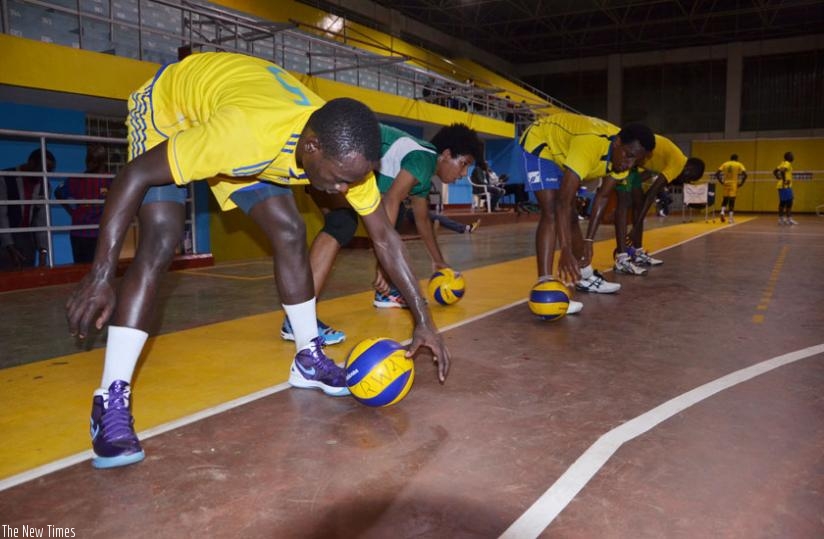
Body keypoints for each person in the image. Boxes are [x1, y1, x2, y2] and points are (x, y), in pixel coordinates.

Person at [65, 52, 450, 470]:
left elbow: (385, 238)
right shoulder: (244, 137)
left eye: (353, 181)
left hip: (240, 113)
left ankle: (308, 359)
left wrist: (424, 320)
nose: (344, 189)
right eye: (340, 178)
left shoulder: (346, 160)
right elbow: (133, 176)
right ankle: (109, 401)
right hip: (170, 107)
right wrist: (101, 273)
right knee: (161, 238)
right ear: (312, 146)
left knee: (289, 229)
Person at [281, 122, 483, 343]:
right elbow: (391, 198)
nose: (463, 173)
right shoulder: (424, 158)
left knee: (359, 219)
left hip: (328, 153)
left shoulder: (422, 172)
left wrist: (439, 261)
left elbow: (422, 218)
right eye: (463, 164)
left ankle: (385, 293)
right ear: (445, 155)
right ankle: (298, 321)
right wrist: (384, 264)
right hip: (327, 154)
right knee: (342, 222)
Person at [519, 113, 655, 308]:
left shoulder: (624, 159)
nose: (629, 164)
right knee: (551, 211)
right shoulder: (590, 145)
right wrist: (565, 250)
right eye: (628, 156)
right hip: (541, 143)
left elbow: (603, 196)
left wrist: (589, 241)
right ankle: (545, 286)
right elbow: (562, 203)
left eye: (636, 161)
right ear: (617, 143)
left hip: (566, 151)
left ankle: (584, 276)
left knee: (572, 217)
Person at [605, 135, 705, 272]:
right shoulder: (678, 164)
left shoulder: (672, 160)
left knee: (638, 204)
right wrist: (633, 230)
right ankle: (621, 258)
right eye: (688, 178)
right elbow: (652, 193)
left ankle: (637, 252)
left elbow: (648, 173)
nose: (684, 180)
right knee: (623, 204)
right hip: (627, 157)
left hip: (635, 165)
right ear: (689, 170)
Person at [55, 144, 111, 263]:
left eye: (94, 161)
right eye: (88, 160)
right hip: (79, 233)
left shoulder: (111, 179)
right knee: (80, 269)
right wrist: (71, 211)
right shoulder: (77, 179)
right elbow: (58, 193)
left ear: (101, 162)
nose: (90, 164)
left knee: (99, 268)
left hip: (101, 233)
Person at [0, 149, 55, 270]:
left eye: (49, 171)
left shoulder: (44, 186)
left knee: (26, 277)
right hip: (4, 237)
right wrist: (9, 246)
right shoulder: (5, 178)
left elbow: (42, 219)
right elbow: (1, 215)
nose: (45, 173)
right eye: (42, 168)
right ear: (31, 163)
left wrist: (43, 250)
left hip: (26, 238)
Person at [714, 154, 746, 224]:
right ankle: (730, 219)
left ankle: (722, 212)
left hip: (726, 183)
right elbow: (745, 174)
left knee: (725, 198)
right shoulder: (738, 164)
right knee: (732, 200)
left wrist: (721, 182)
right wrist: (741, 183)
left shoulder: (725, 164)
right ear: (736, 159)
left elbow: (717, 174)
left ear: (730, 158)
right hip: (733, 183)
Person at [774, 151, 797, 225]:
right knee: (789, 202)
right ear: (788, 157)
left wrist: (777, 177)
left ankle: (781, 219)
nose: (793, 157)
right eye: (791, 155)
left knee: (783, 202)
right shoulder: (787, 163)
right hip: (785, 186)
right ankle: (788, 219)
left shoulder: (782, 163)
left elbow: (775, 171)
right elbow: (783, 171)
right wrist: (784, 180)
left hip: (782, 185)